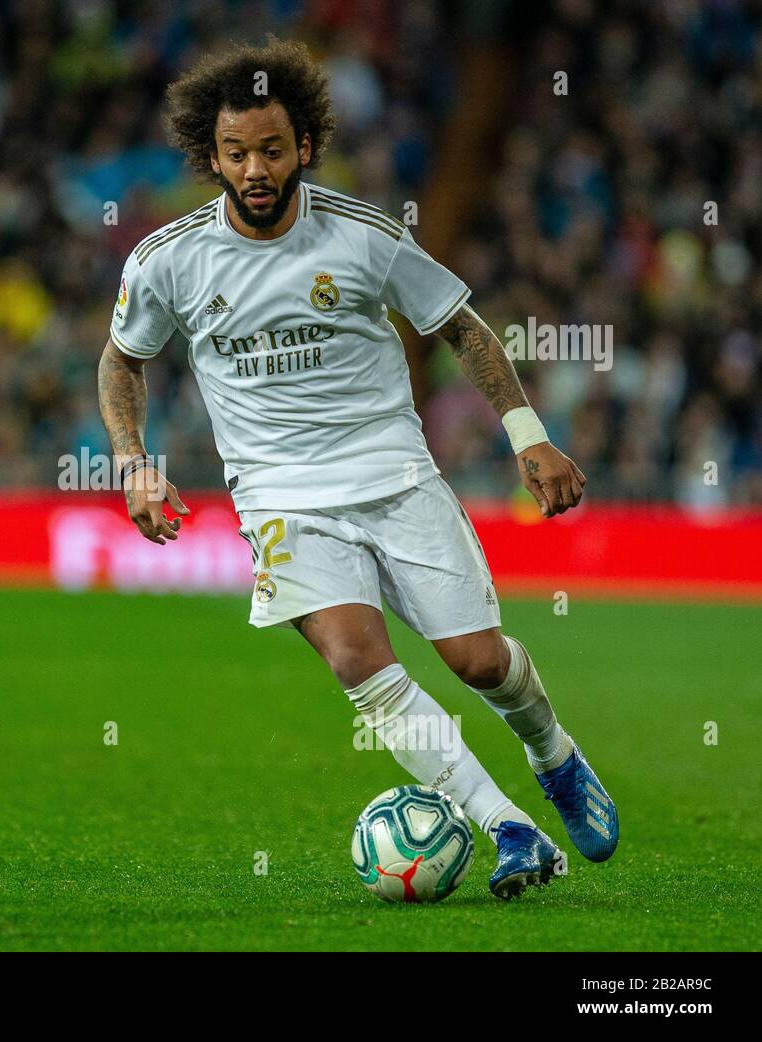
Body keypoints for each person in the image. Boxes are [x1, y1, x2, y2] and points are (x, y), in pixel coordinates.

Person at [96, 37, 618, 899]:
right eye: (235, 153)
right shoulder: (168, 260)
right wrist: (133, 465)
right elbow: (122, 361)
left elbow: (462, 327)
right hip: (280, 497)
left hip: (394, 477)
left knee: (480, 663)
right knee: (355, 661)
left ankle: (552, 755)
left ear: (305, 145)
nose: (254, 169)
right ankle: (511, 831)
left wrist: (528, 435)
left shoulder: (366, 237)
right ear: (211, 157)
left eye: (271, 149)